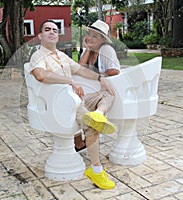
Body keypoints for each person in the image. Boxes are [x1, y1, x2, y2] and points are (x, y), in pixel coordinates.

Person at [27, 19, 116, 190]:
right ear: (40, 36)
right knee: (93, 126)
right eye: (47, 29)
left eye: (55, 29)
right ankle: (96, 170)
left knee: (109, 92)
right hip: (61, 105)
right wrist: (69, 81)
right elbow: (40, 74)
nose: (52, 31)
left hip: (76, 100)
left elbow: (80, 69)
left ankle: (98, 112)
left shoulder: (62, 56)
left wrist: (100, 78)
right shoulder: (38, 55)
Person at [74, 20, 121, 151]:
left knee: (107, 95)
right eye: (89, 34)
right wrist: (88, 49)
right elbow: (79, 68)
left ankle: (98, 115)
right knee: (73, 103)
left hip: (100, 91)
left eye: (95, 36)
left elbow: (115, 70)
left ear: (102, 40)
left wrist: (99, 76)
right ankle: (78, 143)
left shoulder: (106, 50)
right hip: (88, 91)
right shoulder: (88, 50)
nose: (90, 37)